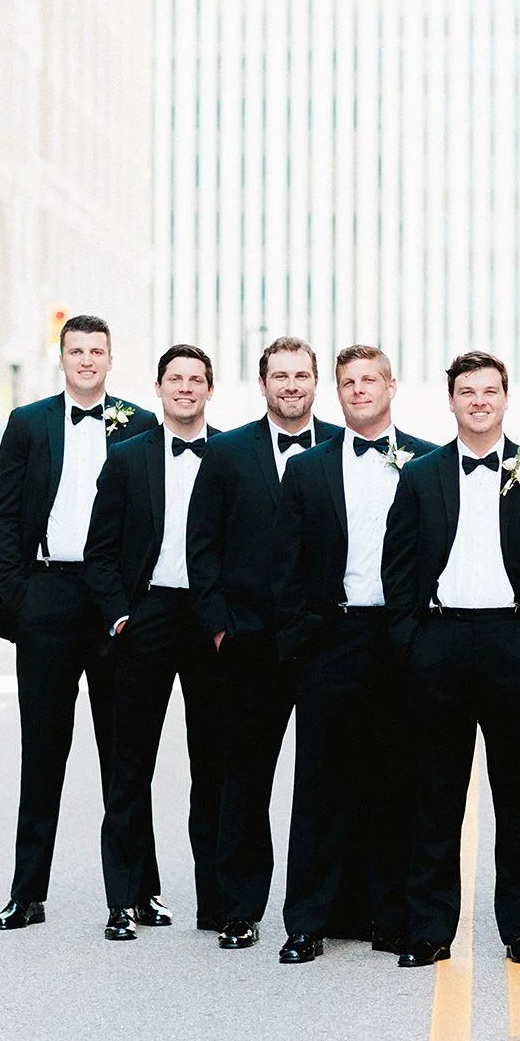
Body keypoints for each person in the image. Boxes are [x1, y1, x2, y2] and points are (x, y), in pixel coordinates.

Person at [381, 350, 520, 966]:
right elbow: (400, 569)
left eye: (489, 391)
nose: (478, 401)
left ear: (505, 397)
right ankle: (430, 930)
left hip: (513, 645)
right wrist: (412, 642)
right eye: (467, 391)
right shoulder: (419, 475)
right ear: (451, 400)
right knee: (435, 795)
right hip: (440, 643)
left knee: (519, 796)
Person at [0, 314, 161, 931]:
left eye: (97, 351)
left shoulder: (141, 424)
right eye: (77, 350)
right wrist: (19, 591)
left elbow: (150, 519)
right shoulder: (27, 423)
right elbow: (3, 516)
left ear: (111, 360)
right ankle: (26, 894)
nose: (87, 359)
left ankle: (140, 890)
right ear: (62, 359)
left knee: (125, 750)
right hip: (47, 598)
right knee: (43, 751)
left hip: (112, 600)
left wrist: (130, 600)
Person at [273, 345, 436, 963]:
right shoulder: (308, 469)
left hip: (400, 639)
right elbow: (285, 567)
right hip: (330, 639)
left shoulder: (425, 462)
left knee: (397, 780)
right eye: (348, 382)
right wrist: (301, 640)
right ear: (335, 392)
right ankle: (306, 921)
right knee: (319, 784)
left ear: (391, 385)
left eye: (370, 380)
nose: (359, 390)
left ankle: (390, 917)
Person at [186, 336, 340, 948]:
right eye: (280, 375)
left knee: (326, 779)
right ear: (263, 384)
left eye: (301, 375)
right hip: (248, 643)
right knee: (244, 779)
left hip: (325, 641)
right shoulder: (225, 453)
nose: (292, 385)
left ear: (314, 383)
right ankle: (238, 906)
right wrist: (220, 625)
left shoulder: (339, 448)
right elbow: (201, 545)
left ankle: (330, 906)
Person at [84, 344, 223, 940]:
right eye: (175, 379)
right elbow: (100, 552)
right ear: (159, 387)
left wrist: (228, 621)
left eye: (196, 380)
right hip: (147, 617)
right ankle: (124, 898)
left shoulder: (231, 456)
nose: (185, 388)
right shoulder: (125, 458)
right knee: (129, 764)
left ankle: (217, 904)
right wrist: (120, 616)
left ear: (209, 390)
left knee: (211, 766)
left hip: (209, 621)